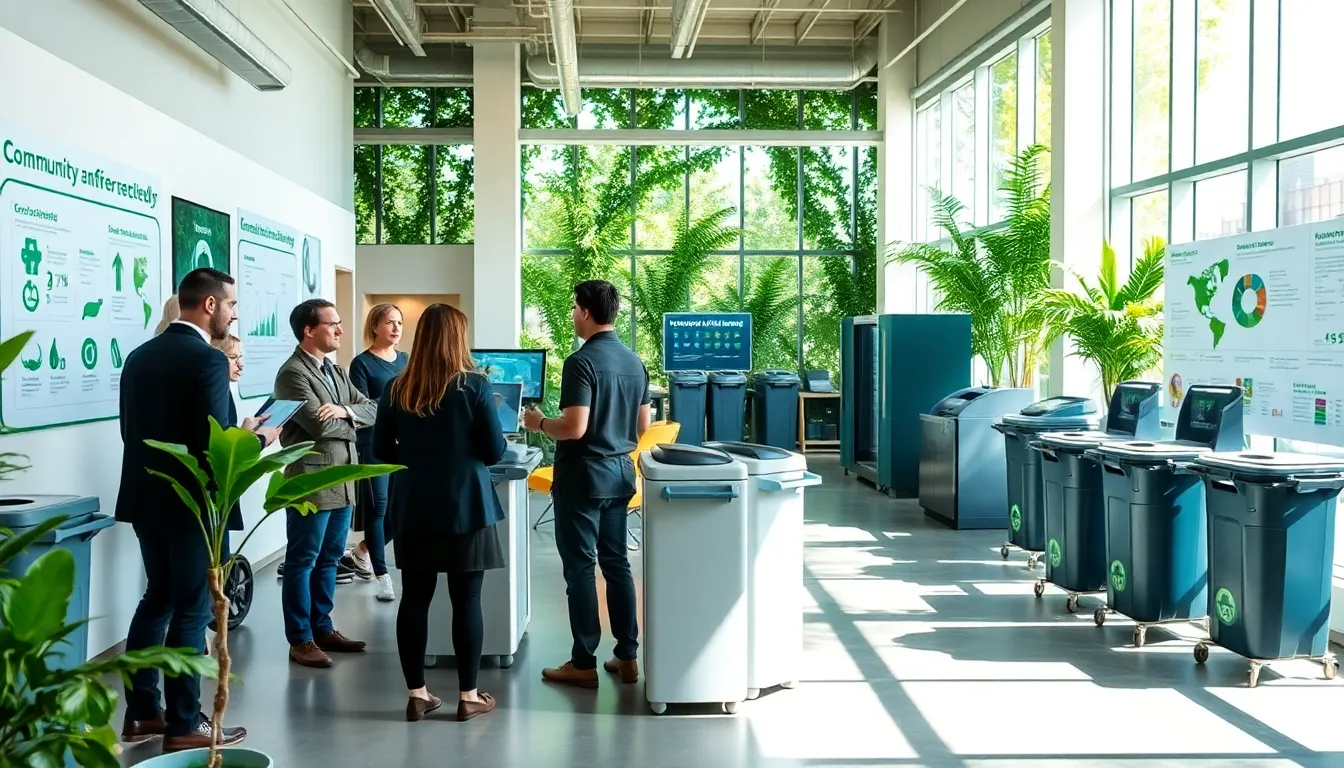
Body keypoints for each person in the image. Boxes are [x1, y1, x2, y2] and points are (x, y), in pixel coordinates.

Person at [115, 268, 279, 751]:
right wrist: (258, 436)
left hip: (147, 498)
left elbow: (136, 433)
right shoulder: (207, 360)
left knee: (156, 601)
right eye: (231, 307)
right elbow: (216, 445)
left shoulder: (139, 357)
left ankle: (143, 713)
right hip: (195, 507)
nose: (233, 315)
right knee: (191, 611)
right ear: (209, 305)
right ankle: (185, 722)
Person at [373, 304, 506, 722]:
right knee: (467, 599)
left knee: (414, 599)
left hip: (413, 507)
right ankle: (468, 696)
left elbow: (379, 451)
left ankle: (417, 695)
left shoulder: (397, 388)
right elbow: (494, 450)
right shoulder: (475, 386)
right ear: (457, 338)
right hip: (467, 507)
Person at [522, 280, 651, 689]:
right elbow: (643, 425)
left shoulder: (581, 362)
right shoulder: (635, 362)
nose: (573, 315)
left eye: (574, 308)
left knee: (580, 568)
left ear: (585, 311)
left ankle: (582, 662)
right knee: (617, 565)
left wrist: (538, 422)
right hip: (620, 474)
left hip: (582, 477)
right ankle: (627, 657)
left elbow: (573, 428)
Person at [273, 299, 378, 669]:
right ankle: (300, 639)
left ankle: (322, 627)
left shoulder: (334, 370)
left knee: (330, 558)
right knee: (303, 560)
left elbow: (373, 408)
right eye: (333, 324)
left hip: (343, 479)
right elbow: (321, 426)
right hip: (312, 482)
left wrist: (346, 410)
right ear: (309, 330)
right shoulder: (293, 374)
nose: (340, 330)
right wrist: (349, 418)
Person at [343, 303, 408, 601]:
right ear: (375, 327)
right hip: (374, 443)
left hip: (405, 443)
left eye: (399, 323)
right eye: (389, 323)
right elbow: (362, 407)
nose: (396, 329)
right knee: (379, 507)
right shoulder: (362, 363)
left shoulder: (406, 360)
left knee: (400, 510)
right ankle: (383, 575)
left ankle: (362, 551)